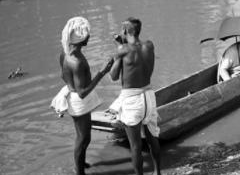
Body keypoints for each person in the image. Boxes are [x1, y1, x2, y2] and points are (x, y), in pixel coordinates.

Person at [51, 17, 113, 175]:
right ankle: (79, 171)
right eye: (88, 35)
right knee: (84, 138)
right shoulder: (77, 62)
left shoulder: (64, 54)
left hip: (72, 96)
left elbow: (62, 76)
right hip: (79, 100)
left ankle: (81, 163)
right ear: (81, 39)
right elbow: (83, 92)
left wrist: (70, 86)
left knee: (81, 136)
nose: (90, 37)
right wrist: (103, 72)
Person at [108, 17, 161, 175]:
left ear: (124, 31)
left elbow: (114, 76)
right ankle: (158, 173)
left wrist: (119, 50)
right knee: (153, 138)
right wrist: (122, 44)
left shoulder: (122, 50)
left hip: (132, 100)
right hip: (149, 96)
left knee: (135, 146)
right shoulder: (149, 45)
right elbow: (136, 55)